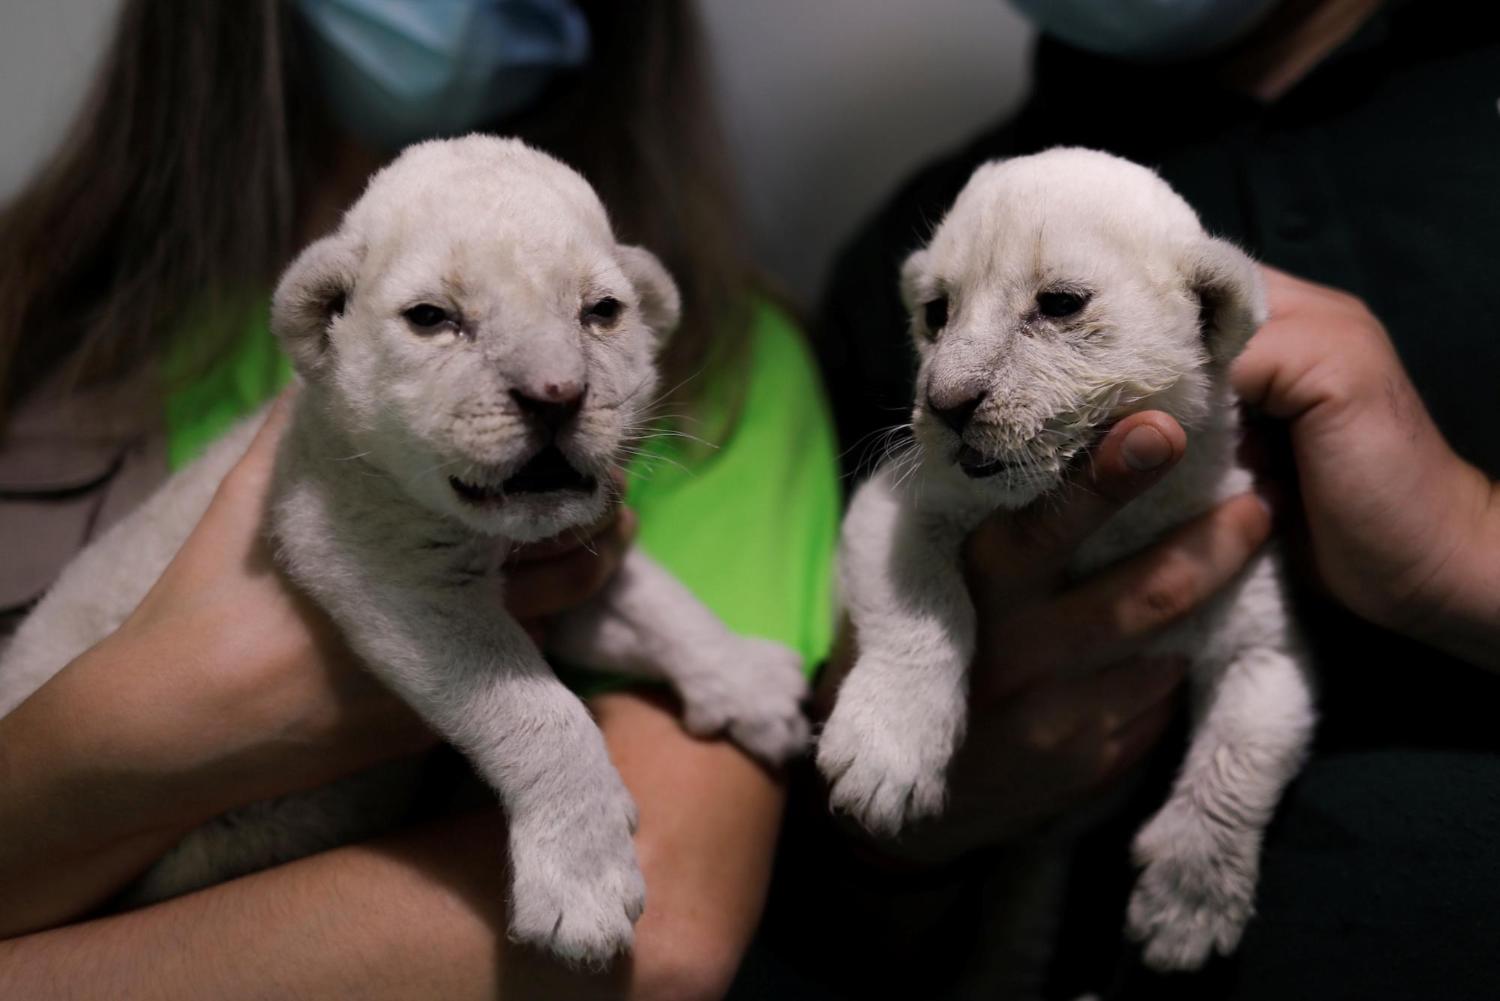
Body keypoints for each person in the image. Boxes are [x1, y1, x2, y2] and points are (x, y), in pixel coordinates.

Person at [0, 2, 839, 998]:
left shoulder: (734, 376)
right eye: (436, 317)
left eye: (604, 311)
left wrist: (702, 654)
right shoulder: (35, 308)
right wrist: (165, 705)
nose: (558, 378)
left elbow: (666, 923)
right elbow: (424, 602)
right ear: (323, 325)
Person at [754, 0, 1500, 998]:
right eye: (936, 317)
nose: (950, 382)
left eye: (1061, 305)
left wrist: (1468, 548)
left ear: (1213, 312)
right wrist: (902, 841)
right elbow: (814, 905)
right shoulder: (915, 233)